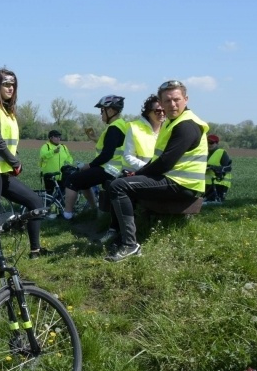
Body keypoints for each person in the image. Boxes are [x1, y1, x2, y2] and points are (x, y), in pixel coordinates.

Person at [105, 80, 209, 262]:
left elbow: (165, 163)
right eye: (167, 101)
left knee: (118, 186)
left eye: (177, 99)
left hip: (182, 185)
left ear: (186, 99)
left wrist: (138, 174)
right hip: (173, 180)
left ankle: (130, 245)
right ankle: (118, 235)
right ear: (161, 102)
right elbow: (160, 162)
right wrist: (136, 174)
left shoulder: (186, 125)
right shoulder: (173, 122)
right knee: (121, 181)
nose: (172, 104)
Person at [0, 68, 48, 259]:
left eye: (13, 84)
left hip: (2, 171)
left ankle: (35, 251)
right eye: (6, 84)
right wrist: (15, 162)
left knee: (35, 203)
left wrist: (14, 160)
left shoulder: (8, 112)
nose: (10, 88)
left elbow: (9, 142)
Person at [99, 95, 165, 245]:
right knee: (118, 186)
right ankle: (115, 230)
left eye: (164, 111)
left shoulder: (168, 129)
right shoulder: (135, 127)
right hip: (136, 172)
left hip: (158, 175)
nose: (162, 113)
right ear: (148, 112)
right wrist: (147, 169)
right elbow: (128, 156)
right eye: (157, 110)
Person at [62, 95, 127, 220]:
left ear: (111, 110)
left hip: (109, 169)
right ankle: (94, 210)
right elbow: (113, 145)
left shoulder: (114, 128)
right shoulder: (121, 125)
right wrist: (95, 139)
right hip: (115, 168)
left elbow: (107, 154)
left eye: (102, 110)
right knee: (84, 181)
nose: (101, 114)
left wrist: (89, 165)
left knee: (71, 180)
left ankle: (67, 215)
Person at [39, 129, 73, 194]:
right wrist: (53, 152)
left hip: (61, 175)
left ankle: (58, 203)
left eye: (59, 137)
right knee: (49, 193)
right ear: (51, 138)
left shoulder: (63, 147)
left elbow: (69, 157)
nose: (58, 138)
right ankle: (48, 204)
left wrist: (69, 163)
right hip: (50, 175)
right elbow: (43, 156)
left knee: (62, 193)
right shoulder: (46, 147)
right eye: (56, 137)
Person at [205, 134, 232, 202]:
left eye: (211, 142)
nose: (209, 144)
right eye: (207, 142)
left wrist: (214, 168)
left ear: (217, 143)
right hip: (208, 183)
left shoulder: (221, 152)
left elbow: (227, 167)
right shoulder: (205, 153)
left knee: (215, 202)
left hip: (219, 183)